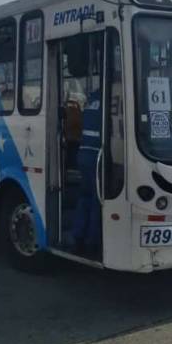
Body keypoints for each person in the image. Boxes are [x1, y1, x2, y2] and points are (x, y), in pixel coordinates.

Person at [71, 89, 102, 255]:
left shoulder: (92, 99)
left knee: (85, 197)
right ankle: (92, 244)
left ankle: (78, 237)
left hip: (83, 153)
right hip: (97, 156)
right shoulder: (110, 97)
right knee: (97, 200)